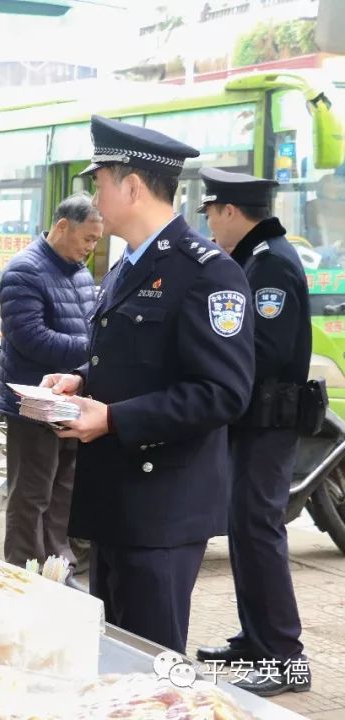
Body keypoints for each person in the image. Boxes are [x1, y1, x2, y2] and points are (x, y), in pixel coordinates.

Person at [42, 115, 255, 654]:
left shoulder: (207, 272)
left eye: (100, 180)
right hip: (116, 499)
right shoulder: (124, 266)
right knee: (115, 656)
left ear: (131, 185)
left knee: (154, 669)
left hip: (162, 506)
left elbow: (223, 391)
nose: (94, 194)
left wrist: (113, 418)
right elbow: (136, 363)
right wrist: (80, 379)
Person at [194, 168, 312, 695]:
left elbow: (268, 351)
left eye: (213, 214)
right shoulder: (257, 259)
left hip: (269, 422)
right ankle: (257, 637)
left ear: (231, 212)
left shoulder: (271, 266)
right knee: (244, 528)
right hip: (252, 422)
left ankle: (284, 653)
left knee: (260, 530)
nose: (211, 226)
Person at [0, 193, 100, 574]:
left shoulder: (81, 272)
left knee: (63, 493)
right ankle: (22, 570)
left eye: (96, 241)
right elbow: (31, 338)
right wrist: (94, 351)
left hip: (70, 401)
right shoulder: (24, 270)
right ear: (61, 227)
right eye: (87, 239)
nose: (91, 248)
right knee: (31, 495)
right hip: (33, 405)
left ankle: (58, 568)